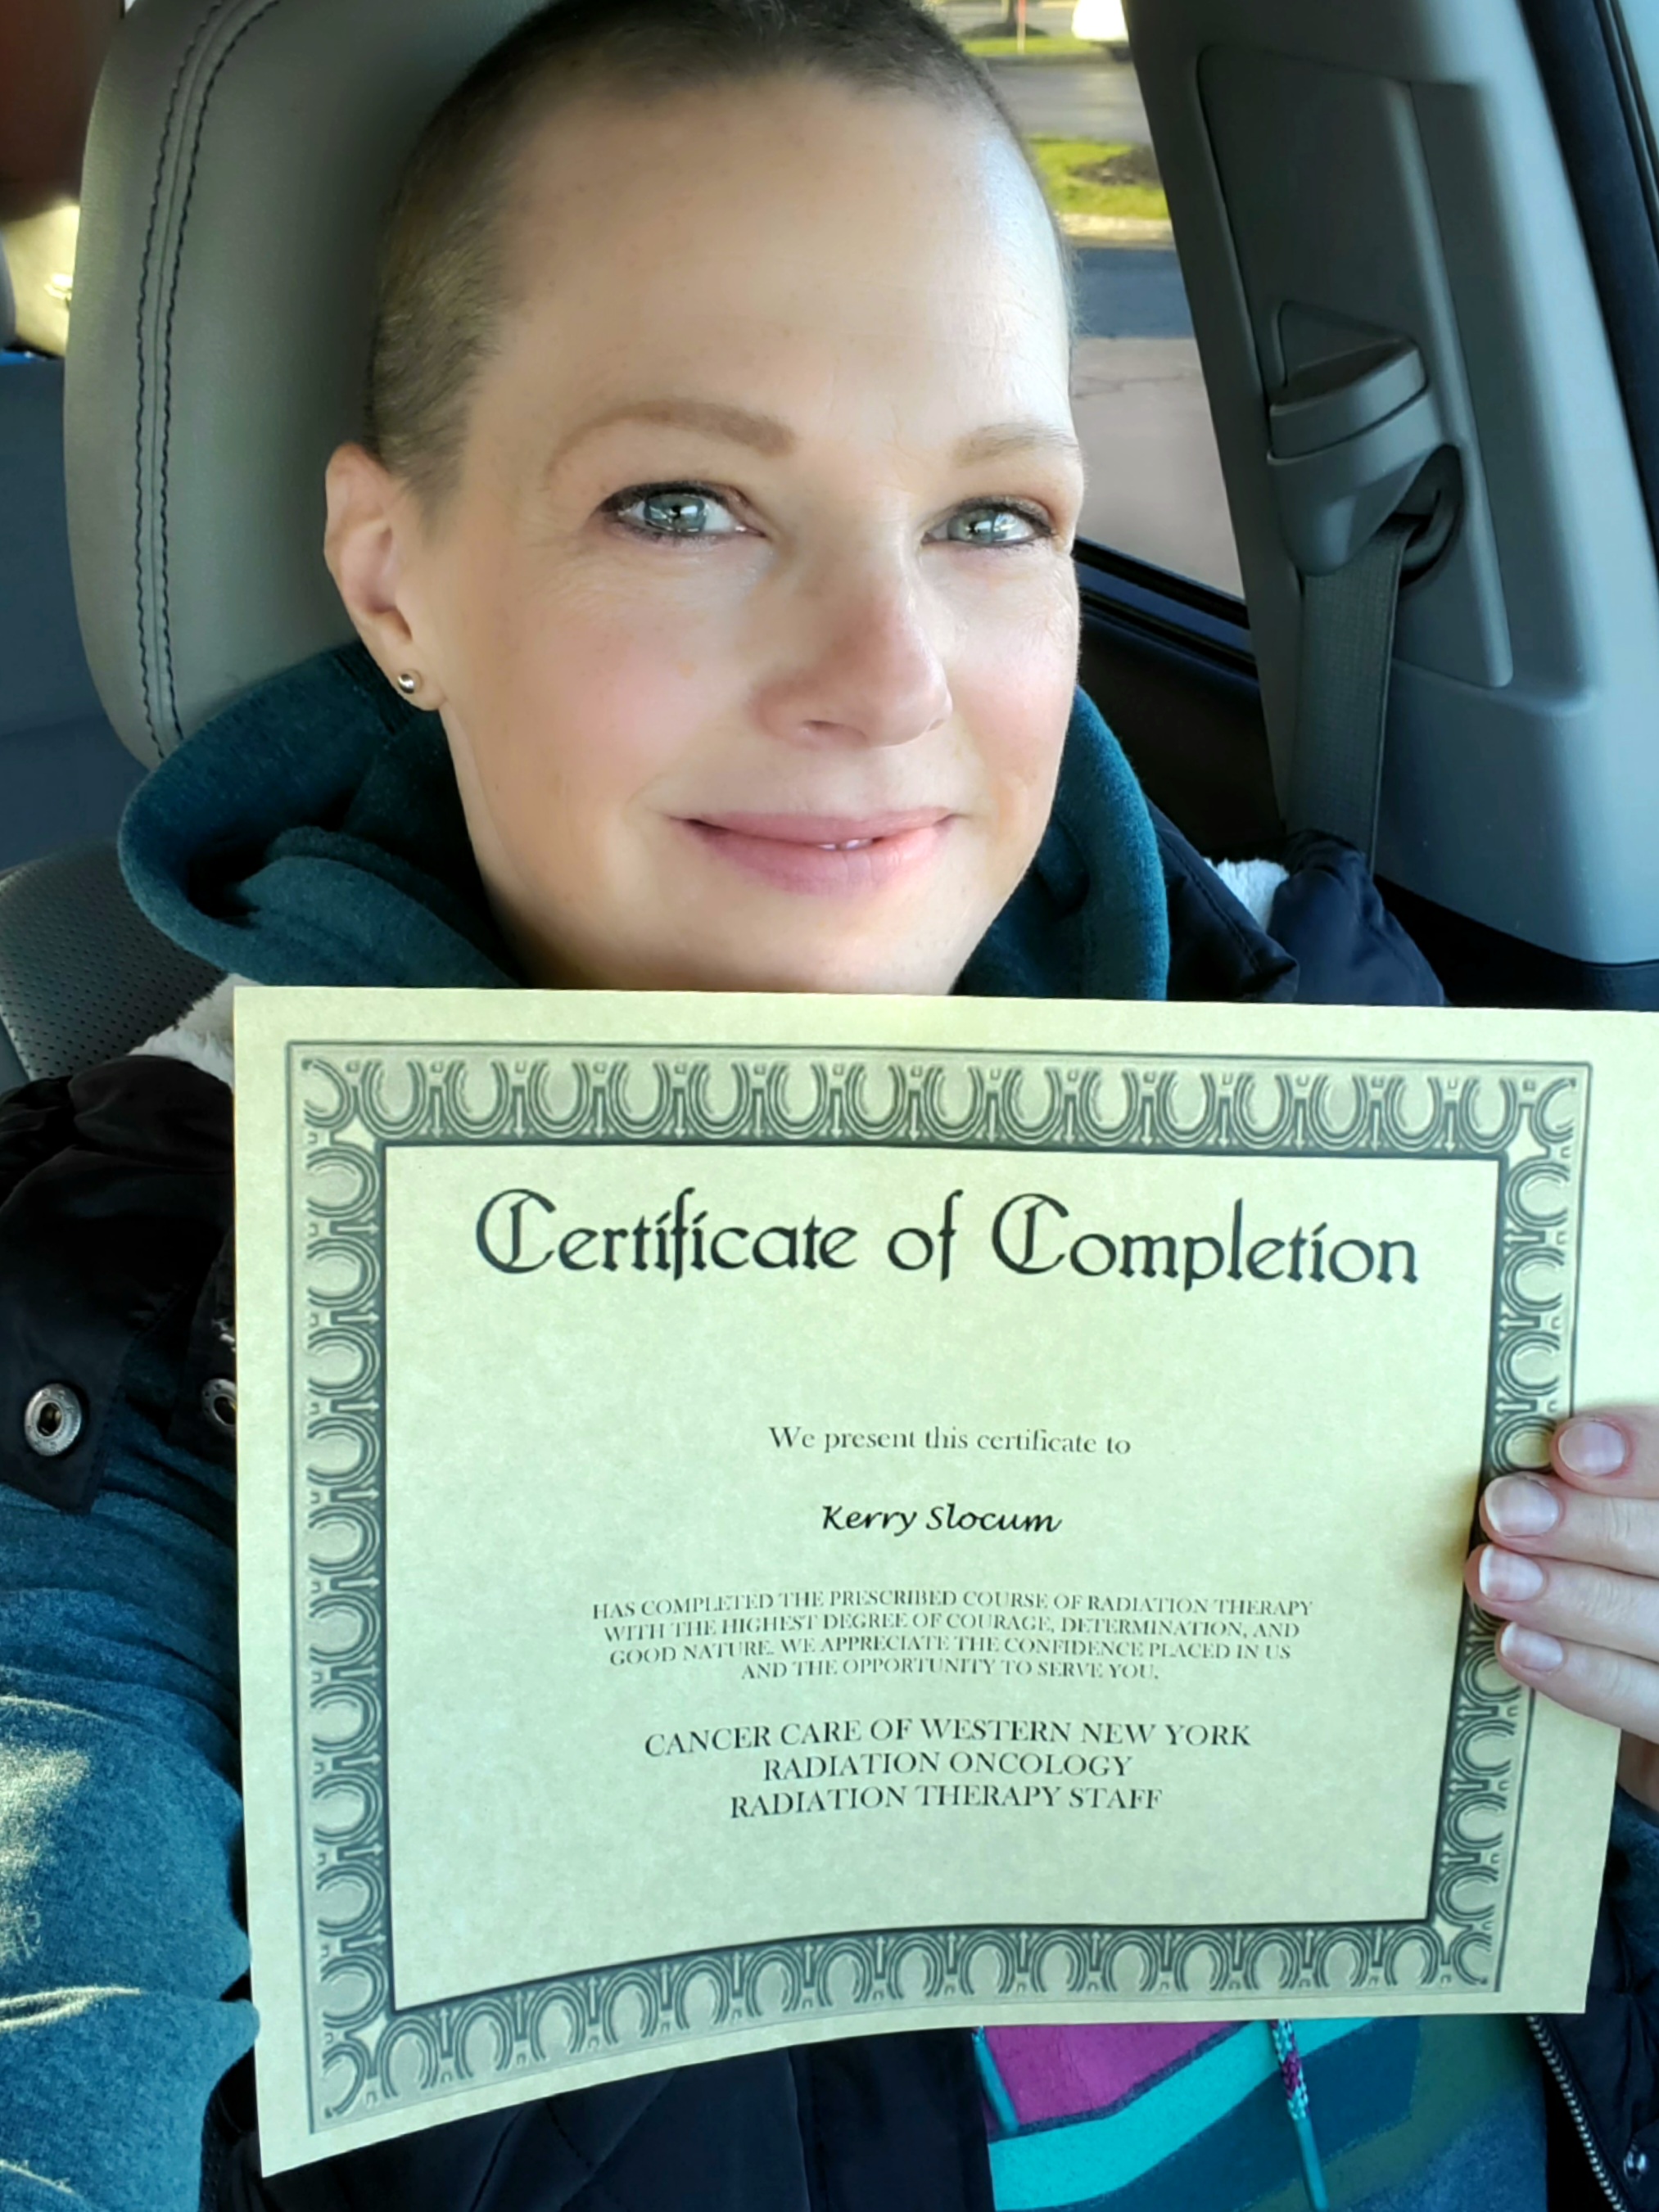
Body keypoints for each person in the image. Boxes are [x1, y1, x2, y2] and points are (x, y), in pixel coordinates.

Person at [2, 2, 1657, 2207]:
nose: (886, 679)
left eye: (990, 517)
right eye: (680, 504)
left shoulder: (1370, 1101)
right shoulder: (134, 1354)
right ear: (397, 580)